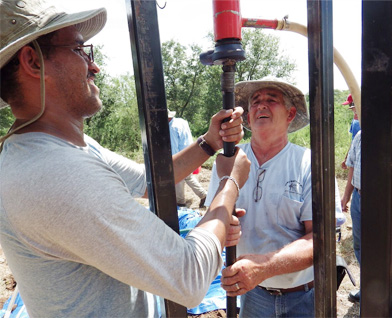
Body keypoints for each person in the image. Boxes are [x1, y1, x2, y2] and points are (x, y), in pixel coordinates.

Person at [0, 1, 252, 317]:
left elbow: (150, 183)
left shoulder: (56, 147)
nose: (95, 66)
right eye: (80, 50)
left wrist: (208, 142)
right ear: (33, 61)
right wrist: (229, 185)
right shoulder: (57, 174)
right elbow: (190, 278)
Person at [205, 77, 344, 317]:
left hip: (304, 295)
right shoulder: (228, 162)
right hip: (253, 294)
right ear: (248, 118)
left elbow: (322, 238)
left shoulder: (311, 164)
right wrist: (219, 227)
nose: (262, 105)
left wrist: (263, 267)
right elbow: (209, 219)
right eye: (255, 102)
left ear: (290, 115)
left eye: (272, 100)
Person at [341, 130, 392, 303]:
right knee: (360, 245)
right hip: (359, 198)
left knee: (382, 247)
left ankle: (387, 293)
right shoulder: (361, 135)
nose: (355, 110)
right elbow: (352, 166)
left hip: (384, 200)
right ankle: (368, 288)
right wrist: (347, 195)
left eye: (357, 105)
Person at [168, 109, 208, 208]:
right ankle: (204, 195)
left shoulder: (171, 128)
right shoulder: (181, 122)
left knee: (178, 177)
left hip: (182, 155)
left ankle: (180, 202)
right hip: (191, 152)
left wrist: (173, 162)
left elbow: (174, 148)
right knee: (188, 177)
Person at [341, 94, 361, 170]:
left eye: (352, 106)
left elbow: (353, 143)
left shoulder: (356, 123)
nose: (353, 110)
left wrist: (346, 158)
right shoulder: (355, 121)